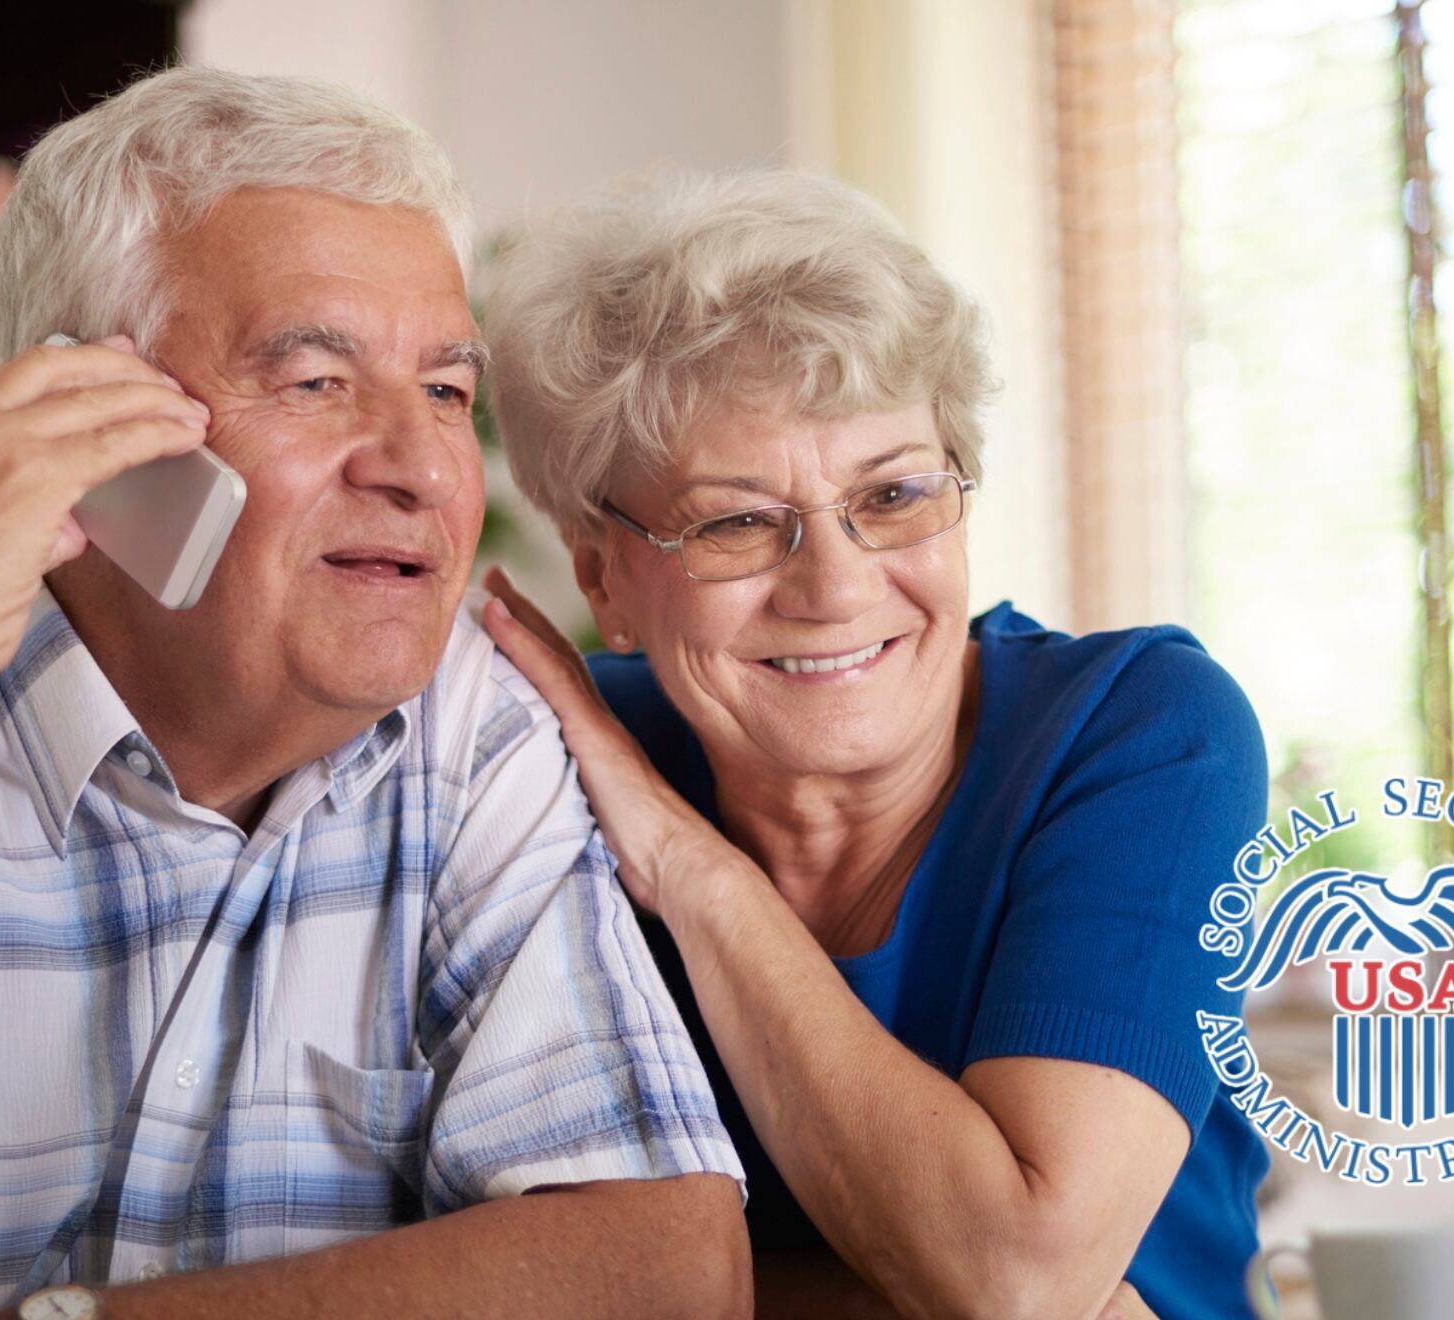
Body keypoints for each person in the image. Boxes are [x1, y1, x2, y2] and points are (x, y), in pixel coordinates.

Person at [0, 67, 746, 1320]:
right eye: (314, 381)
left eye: (446, 390)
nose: (424, 469)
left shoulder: (472, 730)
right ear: (88, 428)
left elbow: (664, 1270)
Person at [479, 169, 1270, 1319]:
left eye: (893, 495)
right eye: (737, 521)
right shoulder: (541, 762)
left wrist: (696, 875)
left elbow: (1016, 1277)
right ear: (603, 575)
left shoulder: (1141, 731)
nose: (836, 585)